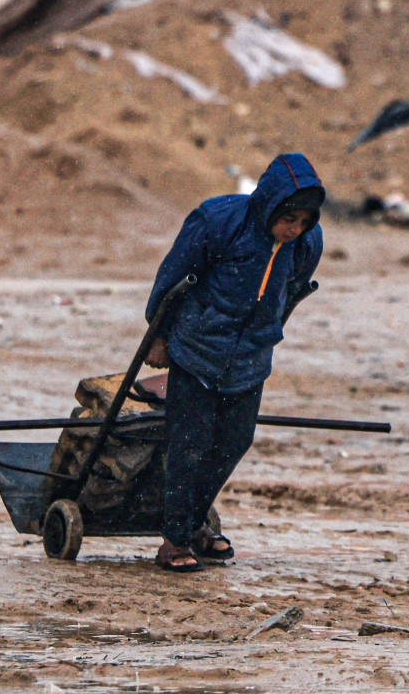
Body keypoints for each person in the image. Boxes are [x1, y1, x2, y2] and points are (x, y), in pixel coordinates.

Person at [144, 152, 325, 572]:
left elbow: (290, 290)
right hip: (198, 348)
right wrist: (159, 334)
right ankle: (174, 541)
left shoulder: (306, 244)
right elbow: (173, 276)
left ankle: (193, 523)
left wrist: (264, 334)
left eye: (303, 221)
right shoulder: (218, 222)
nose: (293, 229)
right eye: (288, 218)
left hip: (250, 358)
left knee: (234, 442)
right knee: (189, 444)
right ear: (269, 203)